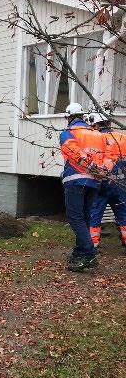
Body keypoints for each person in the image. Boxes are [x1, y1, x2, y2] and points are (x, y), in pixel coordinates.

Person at [59, 103, 106, 272]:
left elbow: (74, 153)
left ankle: (89, 253)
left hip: (76, 180)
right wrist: (100, 171)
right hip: (95, 182)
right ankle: (80, 252)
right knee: (85, 218)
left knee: (74, 217)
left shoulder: (68, 133)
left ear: (69, 117)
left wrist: (89, 166)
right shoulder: (98, 134)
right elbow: (107, 157)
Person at [87, 112, 126, 249]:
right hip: (121, 183)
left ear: (96, 125)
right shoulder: (122, 137)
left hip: (101, 183)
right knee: (123, 214)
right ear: (109, 123)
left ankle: (92, 245)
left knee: (95, 213)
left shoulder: (95, 139)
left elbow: (91, 163)